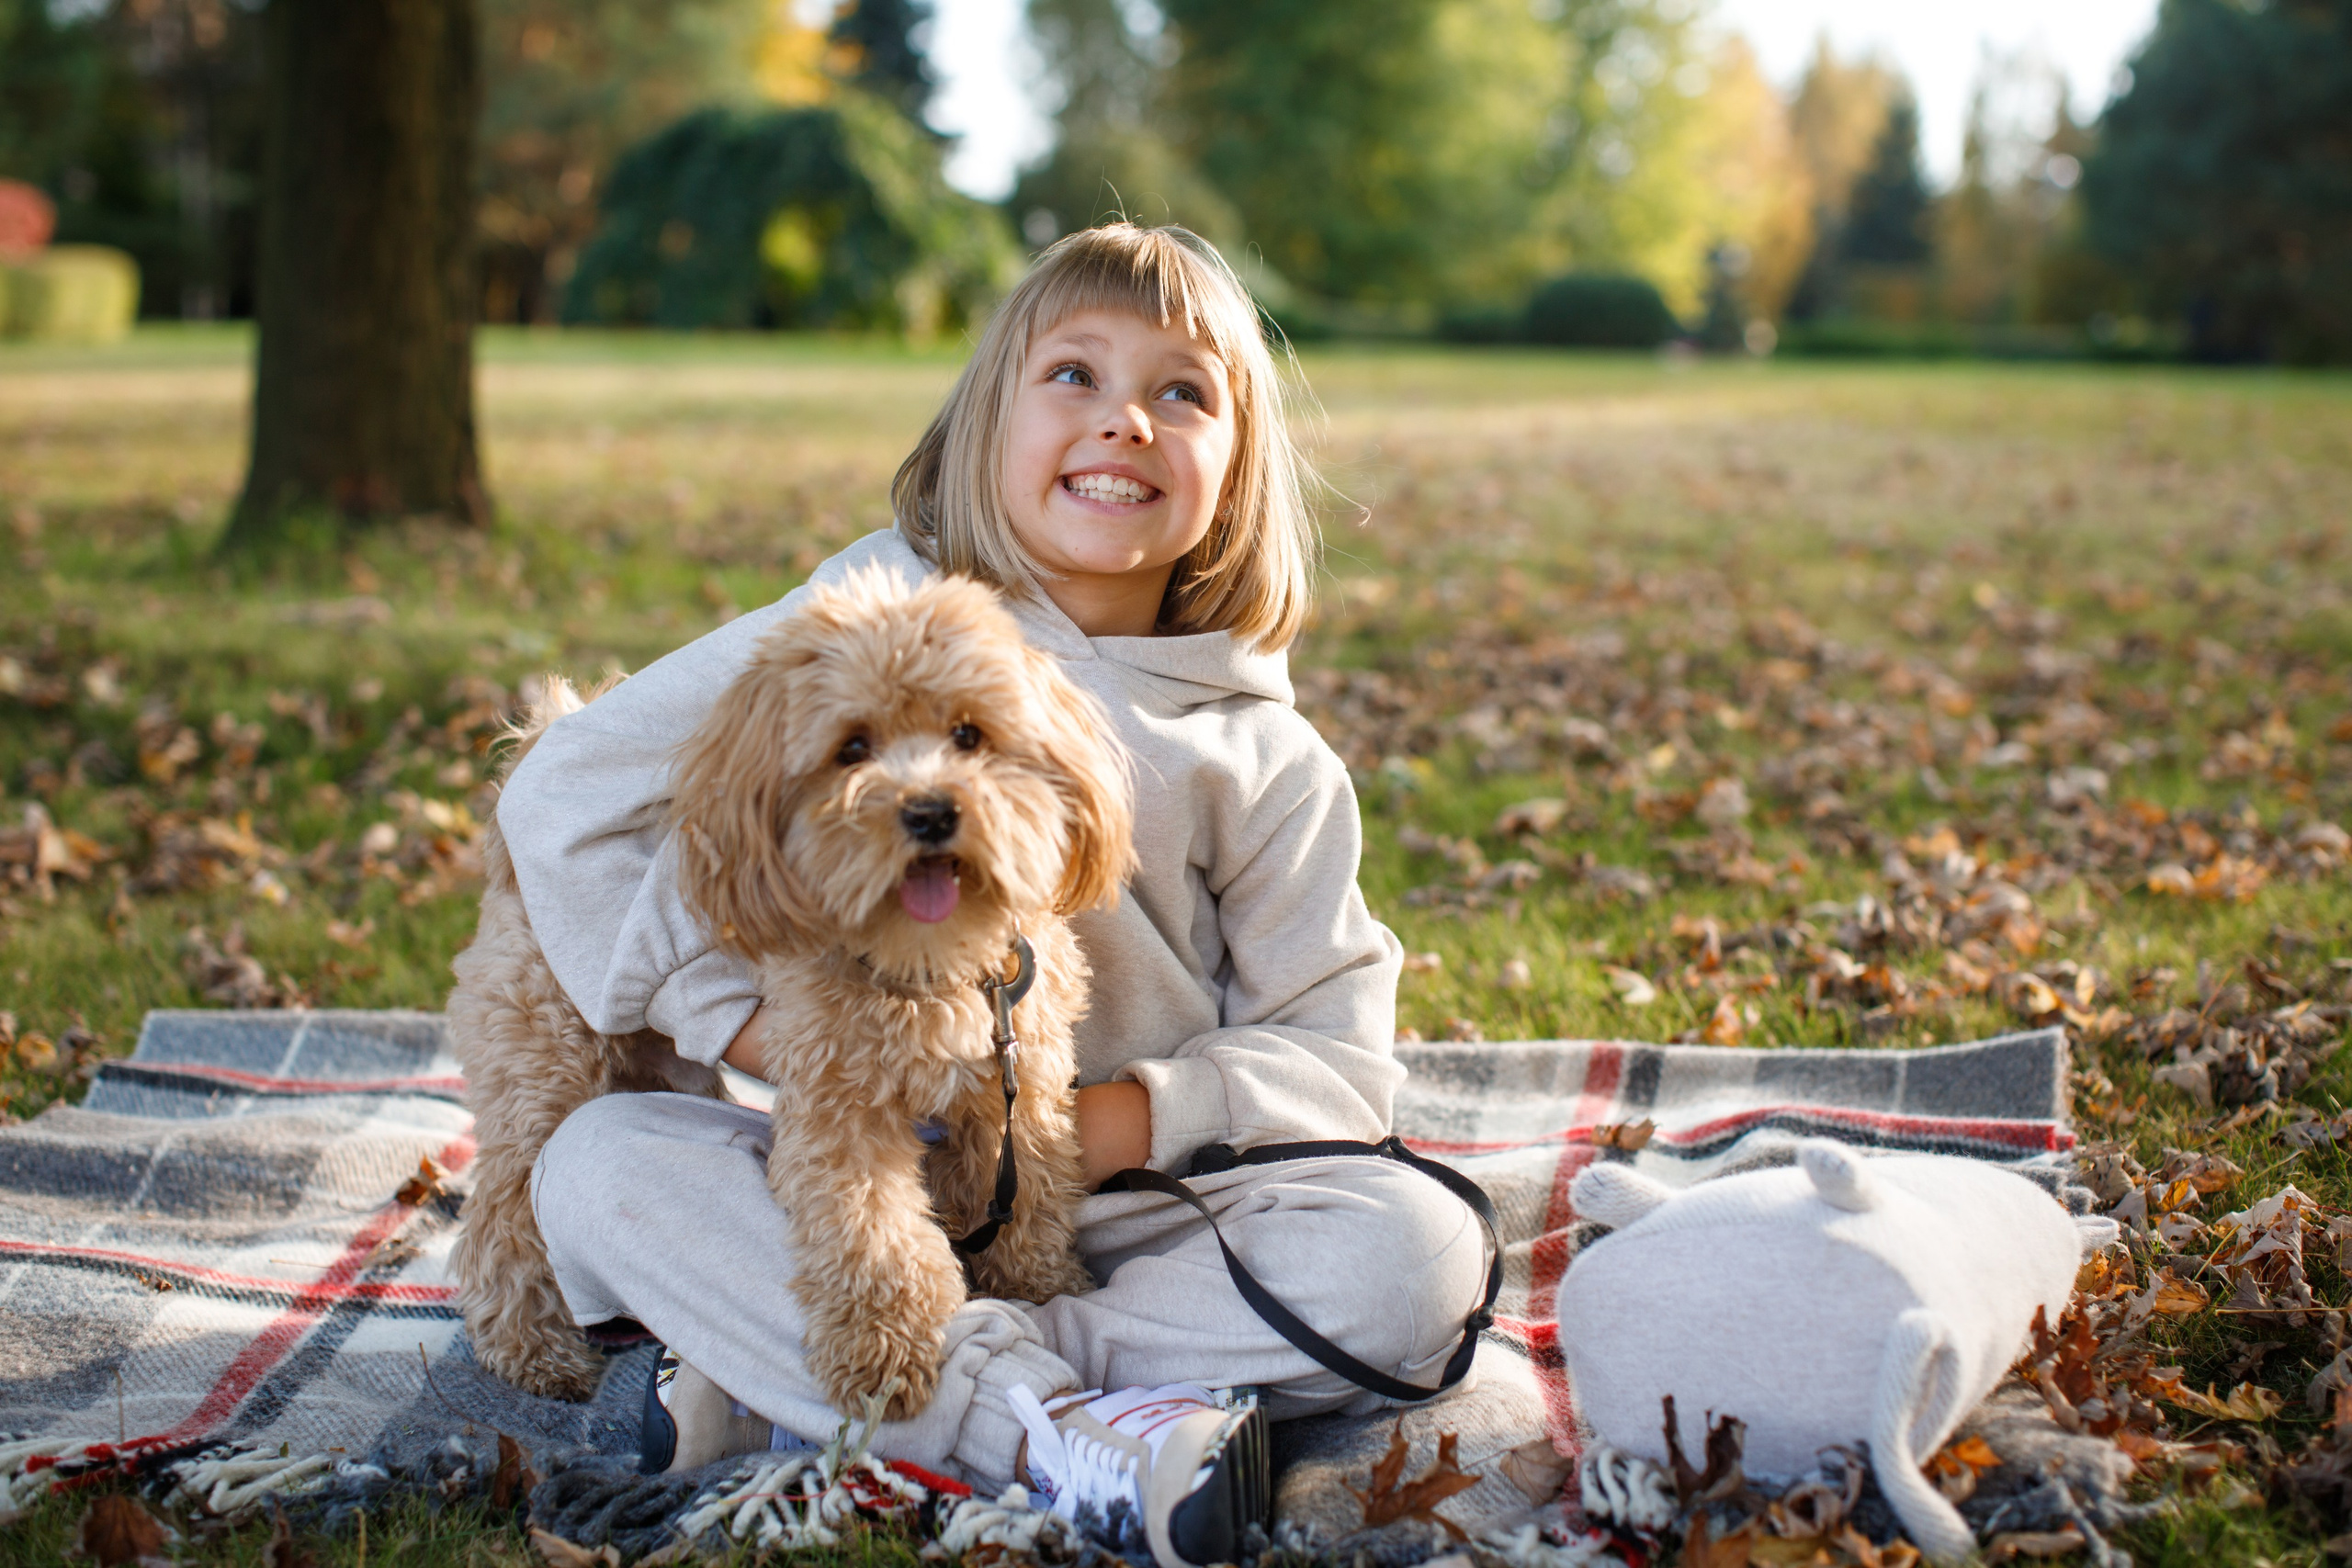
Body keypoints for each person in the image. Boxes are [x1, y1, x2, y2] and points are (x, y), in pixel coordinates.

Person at [499, 223, 1489, 1566]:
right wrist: (752, 1030)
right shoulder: (867, 610)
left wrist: (1108, 1126)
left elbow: (1336, 1053)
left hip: (1127, 1218)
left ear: (1240, 468)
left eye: (1183, 393)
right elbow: (569, 788)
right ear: (982, 423)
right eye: (1072, 375)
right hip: (848, 1178)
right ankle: (1070, 1433)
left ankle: (855, 1387)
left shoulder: (1264, 755)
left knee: (1420, 1253)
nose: (1125, 419)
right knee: (601, 1168)